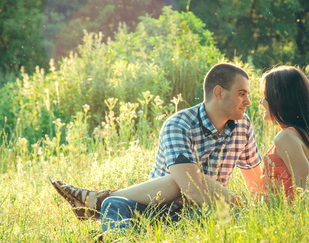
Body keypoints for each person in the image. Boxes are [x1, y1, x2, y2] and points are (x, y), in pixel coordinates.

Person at [49, 62, 263, 231]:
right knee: (116, 205)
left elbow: (257, 184)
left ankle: (105, 207)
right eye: (241, 94)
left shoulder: (243, 126)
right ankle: (118, 240)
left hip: (204, 211)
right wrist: (230, 199)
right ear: (219, 92)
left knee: (195, 208)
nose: (248, 101)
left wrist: (249, 209)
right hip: (159, 206)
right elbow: (191, 188)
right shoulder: (179, 124)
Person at [258, 66, 309, 200]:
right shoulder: (304, 135)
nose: (261, 101)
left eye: (265, 96)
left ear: (280, 99)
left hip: (287, 218)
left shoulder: (286, 138)